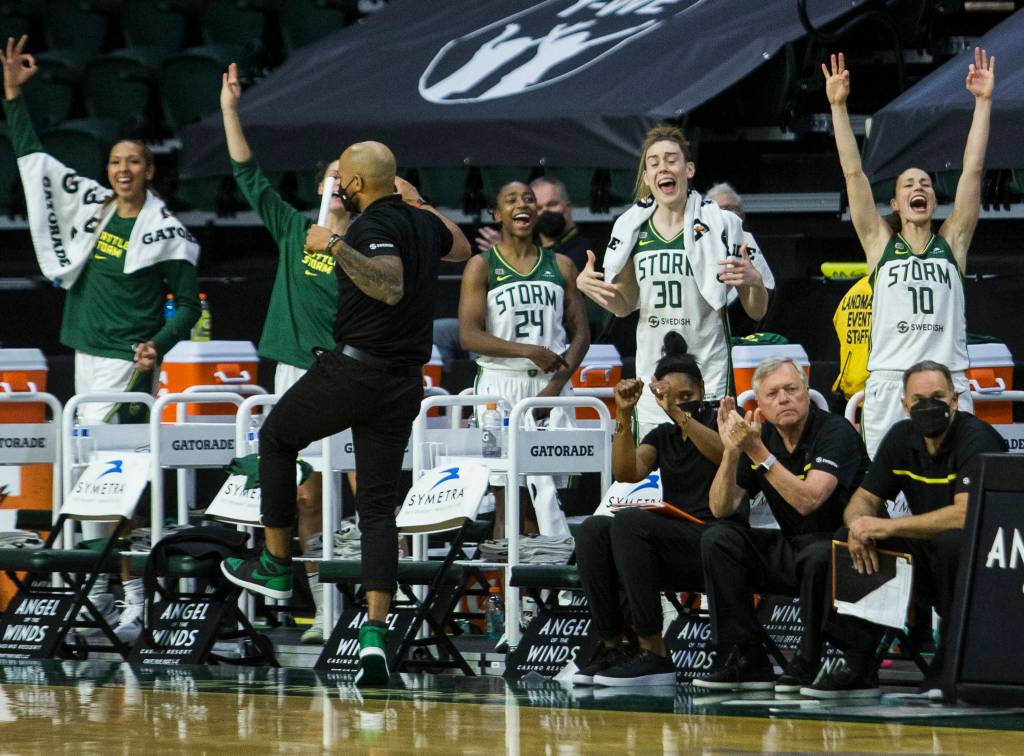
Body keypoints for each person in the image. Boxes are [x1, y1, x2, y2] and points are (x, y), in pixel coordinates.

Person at [221, 139, 471, 686]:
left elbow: (388, 285)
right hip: (404, 382)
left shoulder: (365, 228)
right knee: (378, 509)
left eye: (343, 182)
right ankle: (375, 638)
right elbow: (462, 246)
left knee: (277, 439)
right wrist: (419, 201)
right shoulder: (420, 222)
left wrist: (335, 242)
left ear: (354, 185)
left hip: (358, 371)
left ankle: (275, 564)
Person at [2, 35, 200, 643]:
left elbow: (188, 307)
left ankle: (136, 602)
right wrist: (12, 94)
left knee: (117, 490)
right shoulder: (89, 210)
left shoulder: (167, 232)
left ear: (150, 171)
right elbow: (35, 163)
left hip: (126, 370)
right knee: (84, 488)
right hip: (85, 364)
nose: (122, 170)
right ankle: (99, 597)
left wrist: (158, 344)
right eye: (115, 162)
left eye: (134, 162)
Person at [220, 63, 351, 645]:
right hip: (293, 373)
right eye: (329, 176)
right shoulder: (294, 229)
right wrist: (229, 110)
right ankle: (318, 602)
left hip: (343, 374)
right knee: (302, 494)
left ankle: (375, 598)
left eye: (346, 178)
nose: (336, 184)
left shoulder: (370, 243)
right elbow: (247, 175)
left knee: (350, 489)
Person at [823, 49, 995, 458]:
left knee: (959, 489)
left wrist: (983, 103)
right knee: (888, 494)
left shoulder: (952, 242)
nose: (919, 188)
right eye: (908, 185)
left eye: (926, 184)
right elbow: (853, 174)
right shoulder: (880, 244)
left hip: (946, 380)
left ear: (934, 200)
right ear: (897, 204)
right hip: (890, 382)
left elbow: (972, 171)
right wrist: (837, 107)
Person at [802, 361, 1006, 699]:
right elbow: (861, 501)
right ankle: (858, 664)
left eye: (938, 396)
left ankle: (950, 663)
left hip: (981, 566)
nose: (929, 405)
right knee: (845, 538)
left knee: (952, 542)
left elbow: (966, 514)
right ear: (905, 405)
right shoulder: (901, 437)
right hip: (927, 559)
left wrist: (885, 526)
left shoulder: (977, 438)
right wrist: (860, 528)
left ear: (955, 400)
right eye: (919, 398)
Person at [577, 124, 768, 439]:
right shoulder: (631, 230)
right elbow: (624, 305)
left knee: (709, 469)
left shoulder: (722, 225)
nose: (662, 167)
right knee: (654, 474)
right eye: (653, 163)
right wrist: (591, 289)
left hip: (708, 368)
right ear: (647, 178)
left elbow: (756, 311)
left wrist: (754, 282)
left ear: (688, 169)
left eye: (671, 160)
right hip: (654, 372)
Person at [693, 358, 868, 691]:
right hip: (795, 548)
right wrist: (732, 451)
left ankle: (808, 660)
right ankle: (746, 657)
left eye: (791, 389)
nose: (784, 399)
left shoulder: (834, 431)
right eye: (772, 394)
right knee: (719, 538)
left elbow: (809, 500)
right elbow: (721, 506)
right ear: (760, 406)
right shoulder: (762, 437)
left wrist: (757, 451)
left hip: (845, 549)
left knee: (817, 554)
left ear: (806, 393)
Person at [573, 332, 725, 687]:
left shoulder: (722, 420)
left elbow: (723, 453)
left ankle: (654, 649)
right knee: (595, 528)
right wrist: (623, 415)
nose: (681, 405)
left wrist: (675, 411)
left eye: (687, 397)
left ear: (702, 390)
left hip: (716, 537)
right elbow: (627, 472)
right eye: (672, 399)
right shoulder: (662, 437)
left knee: (630, 522)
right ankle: (614, 643)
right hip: (676, 539)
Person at [458, 180, 589, 538]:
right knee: (507, 501)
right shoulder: (481, 266)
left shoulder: (560, 265)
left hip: (549, 384)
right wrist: (528, 350)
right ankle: (511, 593)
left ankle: (549, 583)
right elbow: (469, 335)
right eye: (512, 199)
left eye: (529, 199)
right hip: (499, 387)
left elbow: (581, 334)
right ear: (497, 214)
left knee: (549, 499)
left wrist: (556, 385)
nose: (524, 204)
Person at [705, 182, 776, 334]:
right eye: (719, 209)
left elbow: (766, 289)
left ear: (742, 216)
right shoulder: (697, 243)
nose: (725, 214)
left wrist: (755, 283)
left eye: (730, 208)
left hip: (742, 323)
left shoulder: (748, 241)